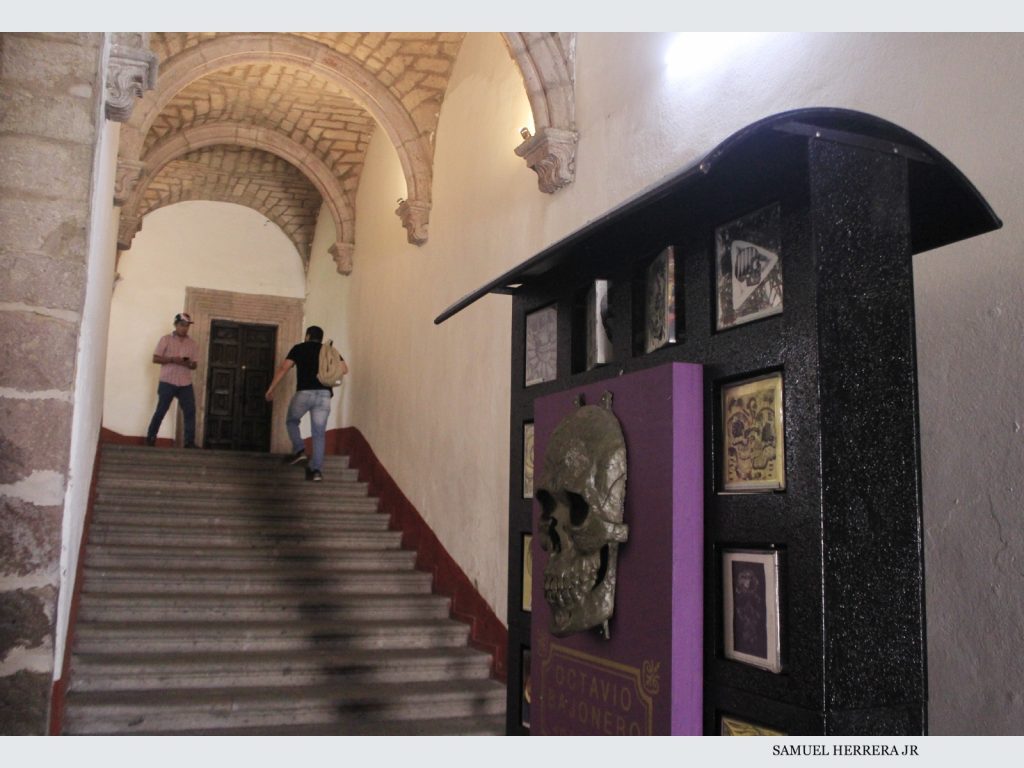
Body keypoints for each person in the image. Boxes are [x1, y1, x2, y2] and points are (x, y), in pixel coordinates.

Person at [265, 325, 347, 482]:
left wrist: (271, 388)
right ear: (321, 338)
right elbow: (344, 369)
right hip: (324, 395)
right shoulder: (328, 350)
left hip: (304, 393)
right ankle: (316, 471)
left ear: (308, 336)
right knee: (319, 433)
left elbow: (284, 368)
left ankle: (300, 450)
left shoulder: (299, 348)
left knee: (292, 421)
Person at [146, 312, 199, 447]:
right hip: (167, 381)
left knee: (190, 411)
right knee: (161, 410)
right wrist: (172, 360)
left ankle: (189, 442)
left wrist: (188, 363)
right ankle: (151, 438)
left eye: (187, 325)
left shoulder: (192, 344)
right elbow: (155, 358)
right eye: (182, 325)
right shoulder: (166, 340)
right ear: (175, 325)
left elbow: (194, 365)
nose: (185, 328)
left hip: (185, 383)